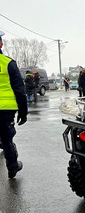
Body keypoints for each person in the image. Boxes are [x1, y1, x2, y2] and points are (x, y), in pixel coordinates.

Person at [0, 30, 28, 178]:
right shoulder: (8, 63)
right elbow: (19, 90)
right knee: (7, 139)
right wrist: (23, 112)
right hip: (5, 109)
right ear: (1, 44)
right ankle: (12, 167)